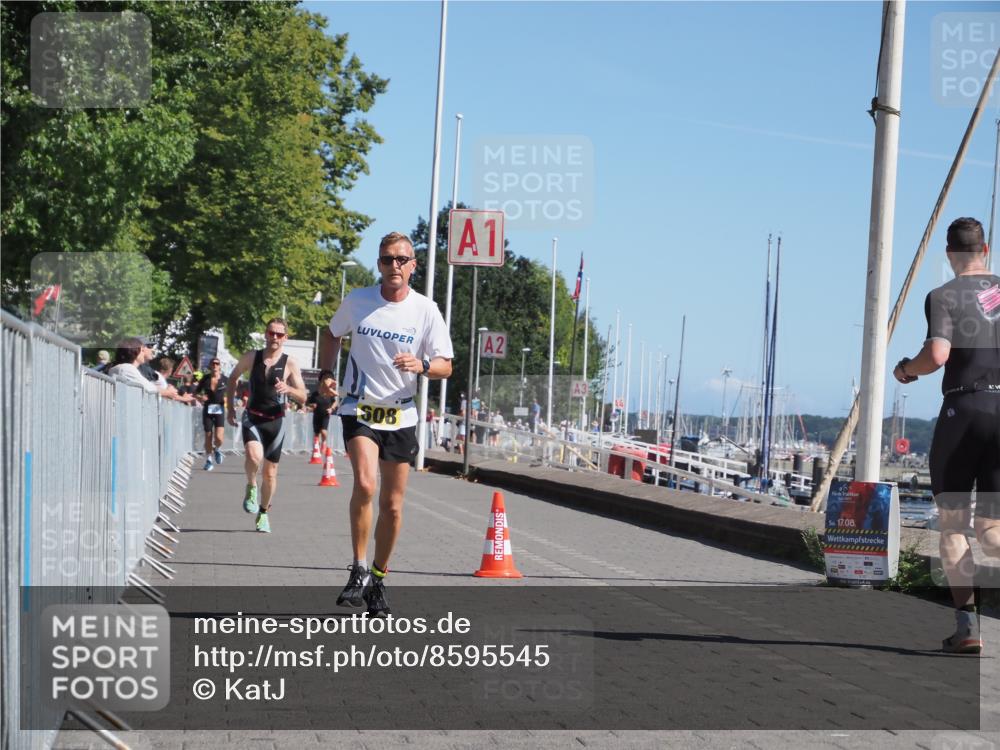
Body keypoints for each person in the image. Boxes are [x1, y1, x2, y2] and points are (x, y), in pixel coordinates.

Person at [320, 232, 454, 616]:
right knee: (365, 484)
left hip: (400, 413)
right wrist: (327, 372)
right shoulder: (358, 301)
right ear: (378, 264)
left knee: (392, 506)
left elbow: (446, 364)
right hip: (359, 407)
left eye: (400, 259)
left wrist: (422, 365)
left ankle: (378, 578)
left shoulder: (425, 310)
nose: (393, 266)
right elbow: (332, 334)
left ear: (413, 266)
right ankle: (359, 568)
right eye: (386, 259)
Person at [893, 217, 999, 654]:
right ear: (986, 249)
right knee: (992, 526)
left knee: (954, 526)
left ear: (950, 255)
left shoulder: (943, 296)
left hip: (964, 410)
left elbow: (936, 355)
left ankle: (967, 630)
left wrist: (905, 370)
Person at [225, 318, 307, 533]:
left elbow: (304, 396)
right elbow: (233, 378)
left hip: (275, 422)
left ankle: (263, 512)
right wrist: (230, 408)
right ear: (265, 334)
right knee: (253, 457)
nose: (275, 338)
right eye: (272, 333)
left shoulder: (290, 363)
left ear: (285, 338)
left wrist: (289, 390)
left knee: (270, 474)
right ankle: (251, 485)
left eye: (280, 335)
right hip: (253, 417)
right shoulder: (252, 357)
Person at [196, 358, 228, 471]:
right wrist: (201, 397)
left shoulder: (225, 379)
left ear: (220, 366)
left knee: (219, 438)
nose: (215, 365)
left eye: (217, 364)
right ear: (210, 366)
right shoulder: (205, 379)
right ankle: (209, 460)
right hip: (208, 409)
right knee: (208, 435)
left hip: (219, 408)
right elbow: (196, 392)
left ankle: (217, 449)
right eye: (213, 363)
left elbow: (232, 392)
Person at [306, 369, 338, 449]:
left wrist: (331, 409)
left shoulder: (330, 393)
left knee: (323, 432)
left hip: (325, 415)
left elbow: (336, 402)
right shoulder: (315, 394)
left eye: (329, 378)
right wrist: (311, 406)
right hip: (317, 415)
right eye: (326, 378)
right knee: (316, 434)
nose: (328, 380)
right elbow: (307, 403)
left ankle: (324, 442)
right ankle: (316, 450)